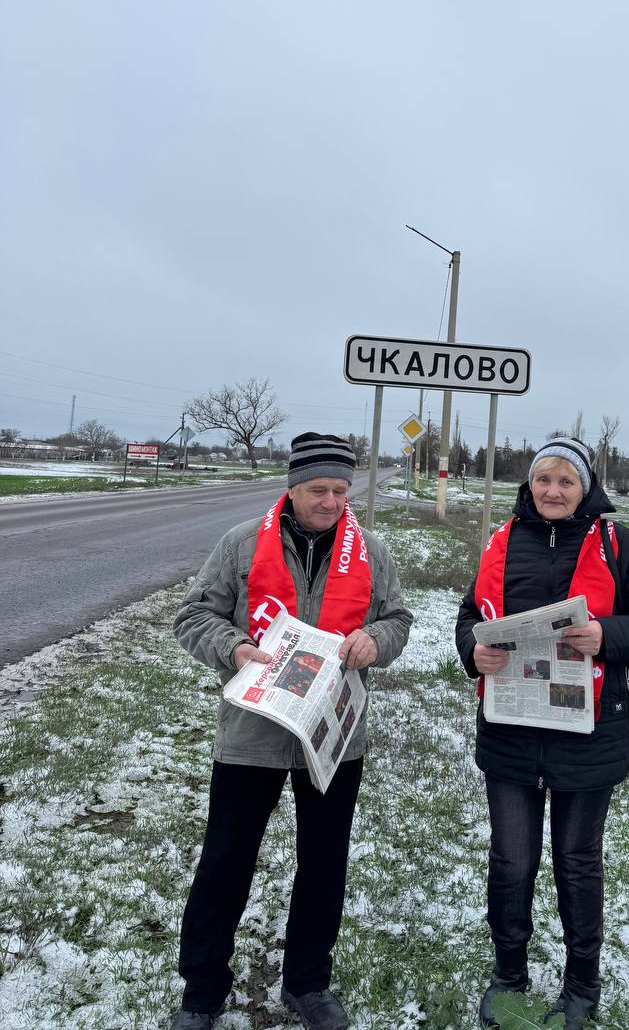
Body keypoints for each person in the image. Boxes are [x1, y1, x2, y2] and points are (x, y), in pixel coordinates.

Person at [171, 433, 412, 1030]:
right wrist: (233, 647)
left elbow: (398, 618)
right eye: (316, 490)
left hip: (332, 739)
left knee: (324, 863)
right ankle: (202, 990)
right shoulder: (241, 544)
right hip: (252, 731)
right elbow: (192, 615)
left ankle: (308, 983)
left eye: (339, 489)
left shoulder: (371, 550)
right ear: (292, 487)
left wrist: (375, 642)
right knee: (226, 860)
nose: (330, 501)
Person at [455, 437, 629, 1030]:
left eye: (566, 482)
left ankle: (581, 986)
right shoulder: (503, 539)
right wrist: (472, 651)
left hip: (590, 733)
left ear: (585, 488)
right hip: (510, 730)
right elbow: (469, 617)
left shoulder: (613, 542)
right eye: (543, 481)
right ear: (530, 485)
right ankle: (509, 976)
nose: (552, 492)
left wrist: (605, 635)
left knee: (577, 862)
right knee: (511, 859)